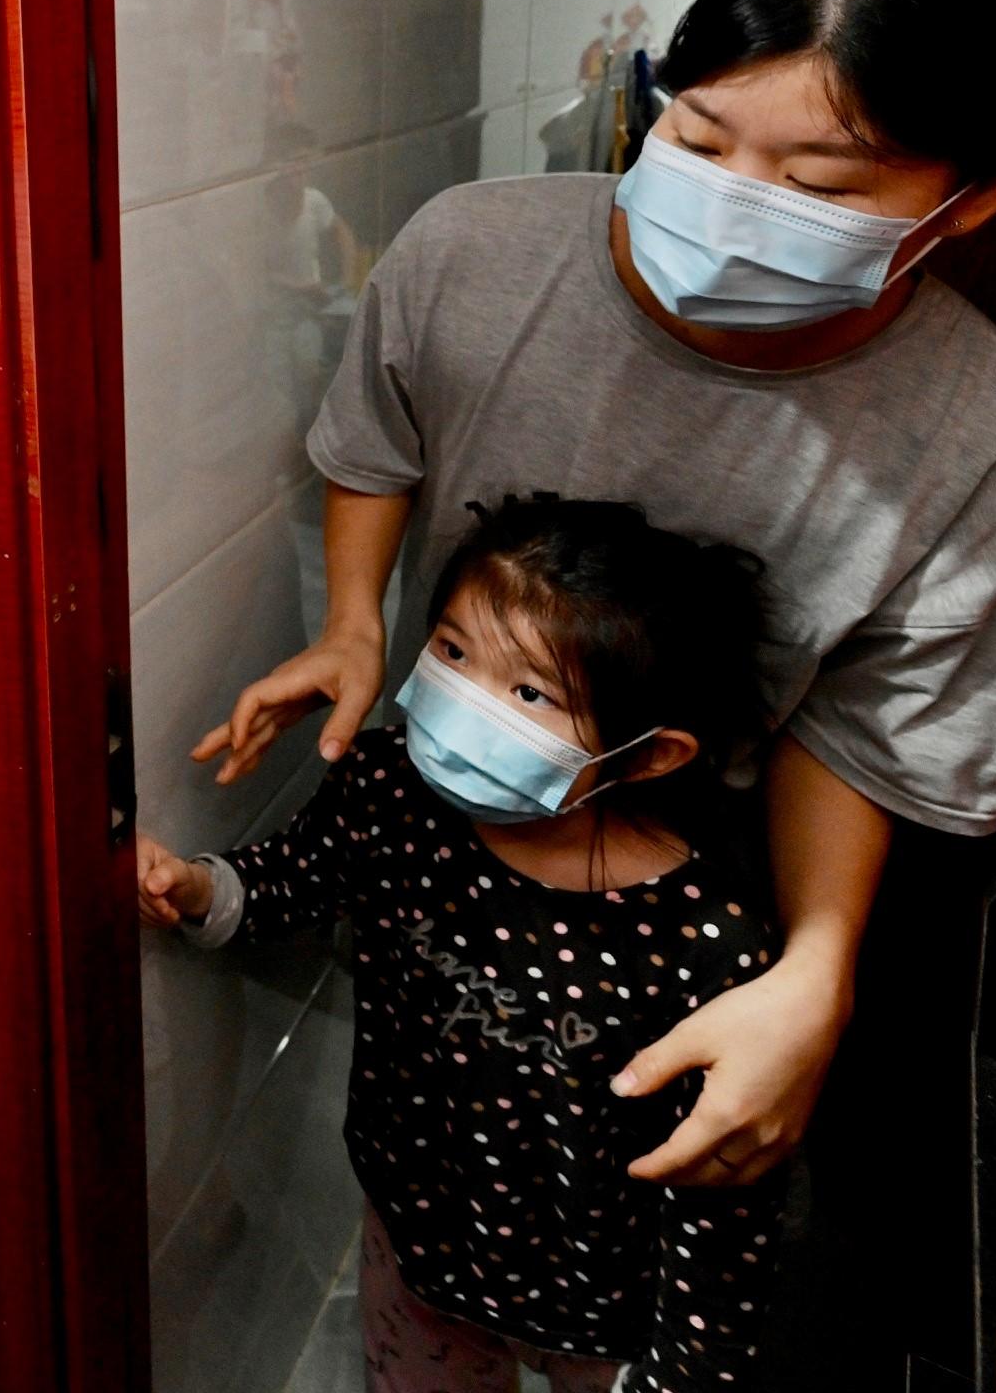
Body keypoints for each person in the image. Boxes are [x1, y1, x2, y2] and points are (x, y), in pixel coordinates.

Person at [195, 0, 996, 1357]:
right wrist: (360, 620)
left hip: (670, 947)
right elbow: (377, 440)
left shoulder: (986, 442)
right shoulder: (473, 254)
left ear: (981, 191)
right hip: (447, 915)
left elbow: (869, 746)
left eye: (815, 187)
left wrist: (813, 977)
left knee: (626, 1251)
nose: (732, 205)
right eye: (694, 130)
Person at [141, 495, 781, 1392]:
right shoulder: (388, 790)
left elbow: (722, 1198)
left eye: (529, 693)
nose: (464, 702)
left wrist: (685, 1373)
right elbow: (291, 879)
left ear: (647, 755)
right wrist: (196, 888)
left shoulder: (707, 942)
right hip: (416, 1246)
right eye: (450, 652)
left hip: (603, 1308)